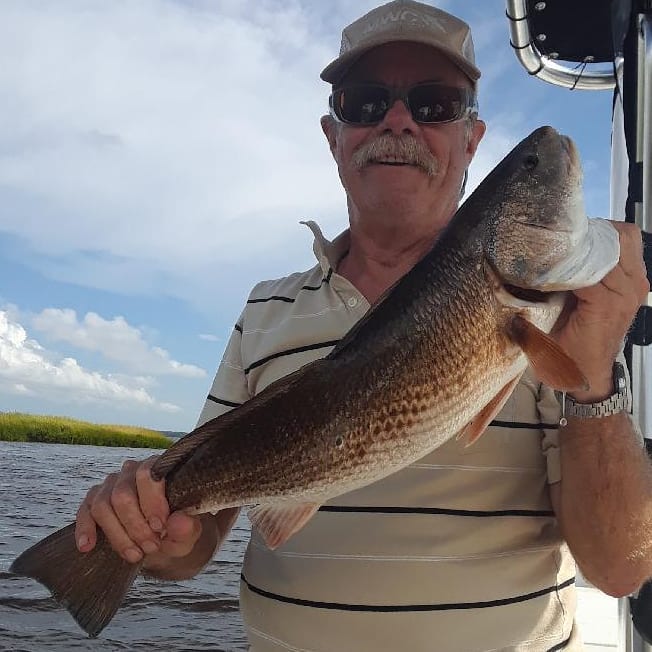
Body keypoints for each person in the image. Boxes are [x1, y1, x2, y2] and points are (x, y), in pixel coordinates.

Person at [74, 1, 651, 649]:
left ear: (471, 139)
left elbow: (622, 569)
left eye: (434, 103)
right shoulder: (264, 310)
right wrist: (156, 537)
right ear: (334, 135)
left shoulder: (570, 322)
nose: (398, 120)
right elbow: (195, 544)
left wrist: (595, 376)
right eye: (365, 101)